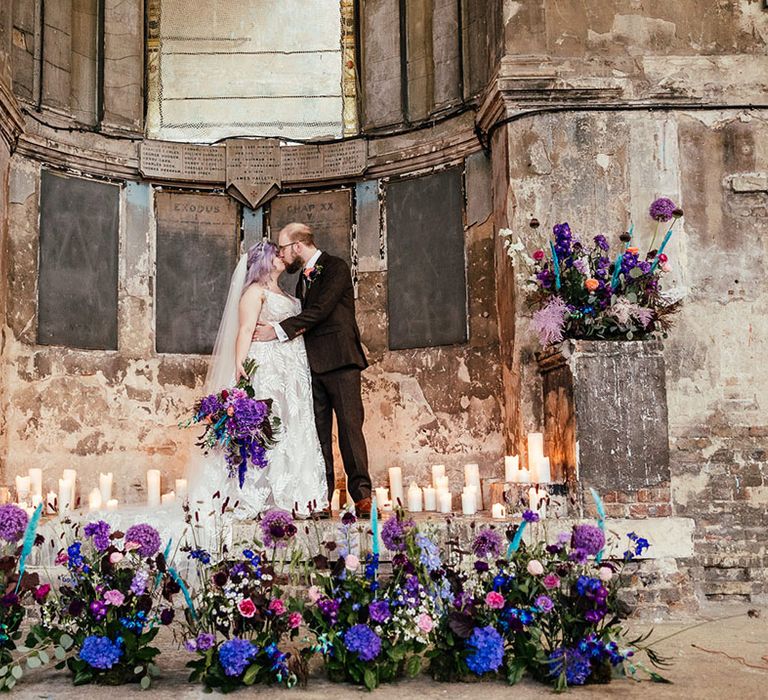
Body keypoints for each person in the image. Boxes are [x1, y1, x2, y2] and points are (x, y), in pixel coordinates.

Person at [187, 240, 328, 520]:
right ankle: (257, 492)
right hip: (269, 367)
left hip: (292, 368)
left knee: (293, 421)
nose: (281, 257)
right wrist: (239, 363)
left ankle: (297, 493)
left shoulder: (286, 292)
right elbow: (245, 329)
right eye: (276, 254)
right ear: (264, 260)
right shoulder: (254, 292)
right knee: (269, 424)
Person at [252, 222, 374, 518]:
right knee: (318, 434)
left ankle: (362, 497)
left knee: (349, 429)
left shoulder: (335, 267)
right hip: (311, 368)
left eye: (282, 248)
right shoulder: (299, 282)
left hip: (341, 363)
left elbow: (318, 312)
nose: (281, 255)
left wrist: (277, 331)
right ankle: (321, 498)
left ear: (297, 246)